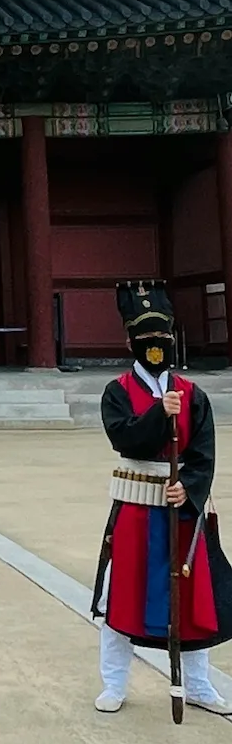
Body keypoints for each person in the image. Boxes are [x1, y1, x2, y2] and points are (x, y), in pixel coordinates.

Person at [91, 282, 232, 715]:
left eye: (163, 337)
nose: (155, 346)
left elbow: (203, 455)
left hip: (181, 511)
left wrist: (187, 487)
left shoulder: (195, 395)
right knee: (121, 598)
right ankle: (114, 684)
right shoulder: (117, 391)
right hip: (135, 510)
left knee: (191, 599)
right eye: (145, 337)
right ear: (130, 342)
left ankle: (199, 684)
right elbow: (125, 438)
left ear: (172, 339)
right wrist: (159, 412)